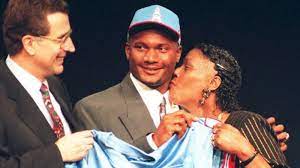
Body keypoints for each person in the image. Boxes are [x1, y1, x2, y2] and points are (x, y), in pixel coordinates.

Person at [74, 4, 288, 153]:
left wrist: (257, 139)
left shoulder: (195, 104)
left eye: (162, 48)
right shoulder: (93, 109)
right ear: (127, 50)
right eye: (141, 47)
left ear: (177, 53)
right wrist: (153, 141)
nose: (151, 58)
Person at [0, 0, 93, 168]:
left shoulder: (55, 85)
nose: (71, 47)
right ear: (30, 44)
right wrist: (57, 154)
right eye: (61, 39)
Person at [169, 43, 288, 167]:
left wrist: (244, 150)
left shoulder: (243, 123)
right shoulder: (176, 129)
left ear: (213, 83)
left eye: (187, 67)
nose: (176, 71)